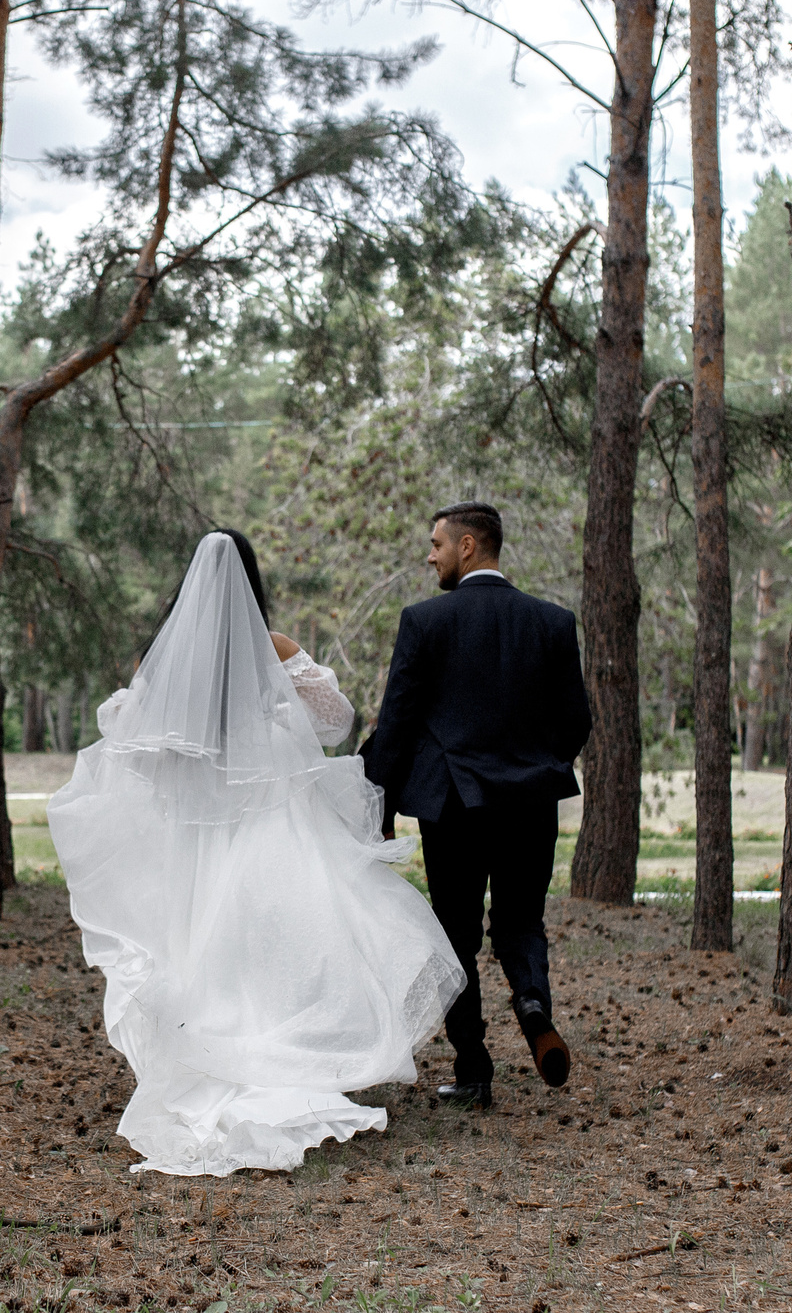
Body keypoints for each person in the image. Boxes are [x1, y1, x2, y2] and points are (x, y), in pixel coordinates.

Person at [47, 530, 464, 1176]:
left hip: (197, 842)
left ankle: (220, 1059)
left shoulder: (164, 663)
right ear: (251, 582)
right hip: (272, 826)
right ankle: (286, 1054)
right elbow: (336, 720)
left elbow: (132, 743)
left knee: (211, 952)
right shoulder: (272, 648)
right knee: (280, 948)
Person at [359, 503, 592, 1110]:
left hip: (454, 806)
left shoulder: (426, 622)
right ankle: (535, 1007)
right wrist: (535, 766)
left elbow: (399, 725)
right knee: (521, 921)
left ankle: (473, 1068)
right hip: (530, 803)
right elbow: (576, 723)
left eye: (436, 544)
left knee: (456, 933)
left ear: (468, 547)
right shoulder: (553, 622)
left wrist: (375, 805)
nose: (429, 555)